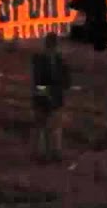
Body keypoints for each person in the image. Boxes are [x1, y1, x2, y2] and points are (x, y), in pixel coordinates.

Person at [31, 33, 71, 161]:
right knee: (48, 127)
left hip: (50, 98)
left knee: (49, 127)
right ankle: (48, 153)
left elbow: (38, 81)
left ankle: (49, 153)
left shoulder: (51, 60)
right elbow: (38, 81)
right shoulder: (55, 60)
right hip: (47, 98)